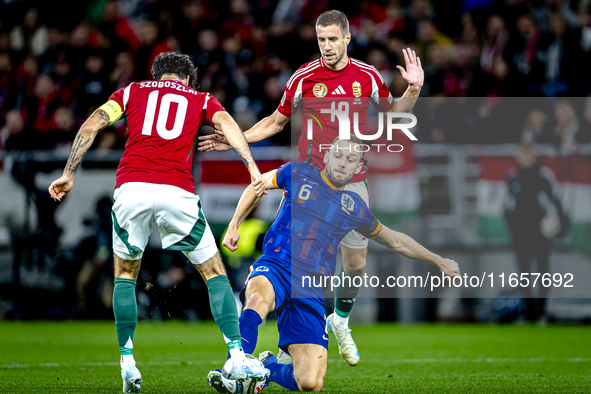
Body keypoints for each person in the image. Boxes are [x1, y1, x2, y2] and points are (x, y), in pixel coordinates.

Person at [198, 9, 425, 366]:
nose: (327, 46)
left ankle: (340, 320)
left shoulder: (366, 76)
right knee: (298, 261)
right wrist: (237, 140)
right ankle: (289, 344)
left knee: (356, 263)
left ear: (347, 38)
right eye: (321, 39)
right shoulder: (304, 77)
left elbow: (393, 116)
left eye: (333, 39)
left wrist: (412, 88)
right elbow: (276, 121)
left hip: (353, 182)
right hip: (309, 180)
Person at [48, 52, 269, 393]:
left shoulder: (131, 91)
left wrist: (68, 173)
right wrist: (251, 167)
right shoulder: (200, 98)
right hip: (175, 190)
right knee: (214, 273)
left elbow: (92, 123)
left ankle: (127, 362)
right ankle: (237, 355)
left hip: (131, 189)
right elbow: (227, 125)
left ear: (157, 75)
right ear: (187, 80)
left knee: (124, 275)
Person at [208, 137, 460, 392]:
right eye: (338, 156)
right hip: (277, 265)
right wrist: (234, 225)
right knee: (257, 301)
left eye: (351, 160)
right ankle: (233, 370)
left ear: (358, 168)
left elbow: (395, 240)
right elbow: (257, 184)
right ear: (327, 157)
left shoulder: (355, 208)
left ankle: (267, 368)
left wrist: (437, 259)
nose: (342, 163)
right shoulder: (297, 172)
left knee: (310, 383)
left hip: (310, 286)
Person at [505, 144, 568, 322]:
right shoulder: (513, 176)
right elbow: (507, 206)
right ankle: (529, 311)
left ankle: (541, 311)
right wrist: (513, 230)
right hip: (520, 235)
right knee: (524, 275)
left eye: (528, 155)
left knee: (543, 273)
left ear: (534, 156)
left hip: (541, 234)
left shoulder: (543, 176)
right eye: (521, 155)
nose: (525, 158)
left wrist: (559, 225)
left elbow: (555, 201)